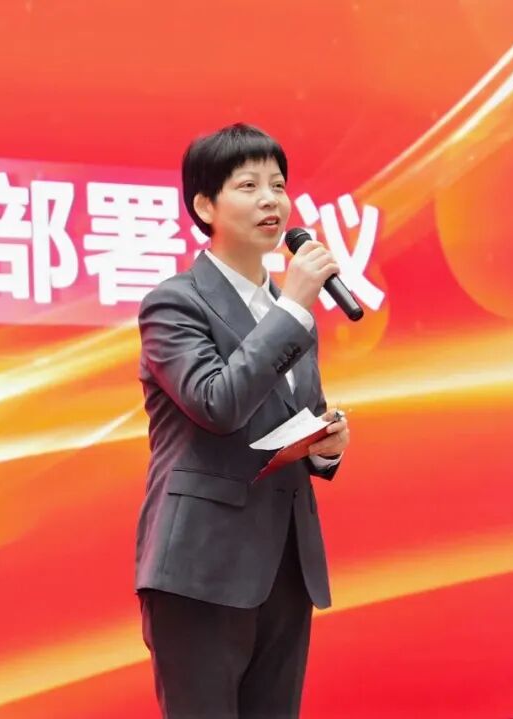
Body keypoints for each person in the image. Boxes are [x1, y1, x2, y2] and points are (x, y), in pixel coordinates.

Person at [134, 122, 351, 718]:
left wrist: (326, 445)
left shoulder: (289, 310)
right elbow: (217, 403)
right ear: (205, 206)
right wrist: (293, 308)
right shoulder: (174, 303)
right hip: (202, 567)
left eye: (278, 185)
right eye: (248, 185)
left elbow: (293, 419)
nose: (270, 200)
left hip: (285, 563)